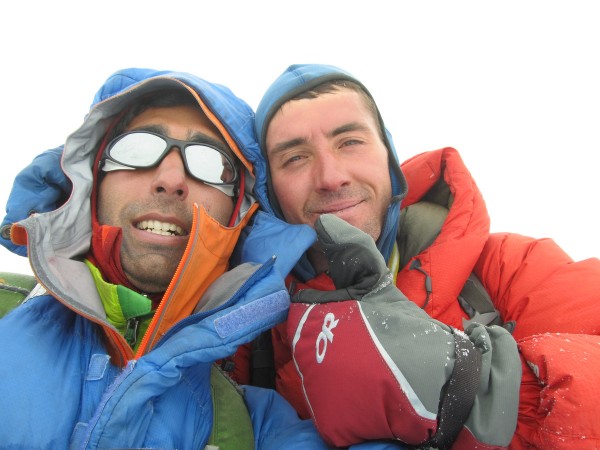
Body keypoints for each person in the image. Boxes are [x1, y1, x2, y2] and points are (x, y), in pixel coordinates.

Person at [235, 64, 600, 450]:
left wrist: (470, 390)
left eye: (350, 142)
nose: (330, 176)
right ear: (269, 191)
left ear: (390, 164)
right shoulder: (246, 327)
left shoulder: (510, 270)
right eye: (295, 157)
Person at [0, 67, 336, 449]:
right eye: (138, 148)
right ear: (93, 179)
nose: (171, 178)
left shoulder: (254, 426)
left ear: (239, 212)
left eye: (210, 163)